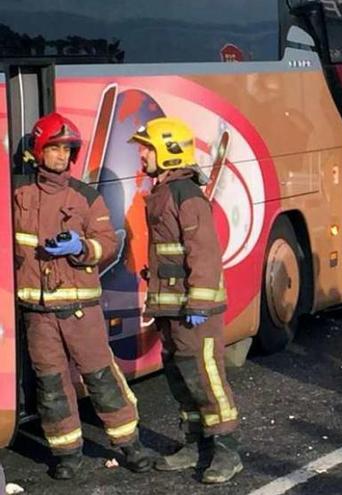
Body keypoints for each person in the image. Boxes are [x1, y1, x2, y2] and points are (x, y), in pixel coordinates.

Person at [13, 112, 152, 479]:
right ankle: (68, 454)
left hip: (80, 311)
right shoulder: (18, 194)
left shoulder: (86, 196)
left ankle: (130, 445)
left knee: (101, 376)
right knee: (51, 386)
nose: (61, 156)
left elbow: (107, 244)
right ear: (39, 151)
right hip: (38, 313)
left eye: (66, 150)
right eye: (54, 149)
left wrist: (80, 247)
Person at [129, 117, 242, 484]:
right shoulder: (162, 192)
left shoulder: (187, 196)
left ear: (167, 151)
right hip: (170, 307)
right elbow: (171, 254)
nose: (142, 154)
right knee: (182, 378)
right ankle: (196, 444)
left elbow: (204, 255)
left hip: (194, 311)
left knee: (206, 377)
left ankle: (226, 451)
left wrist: (199, 304)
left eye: (146, 147)